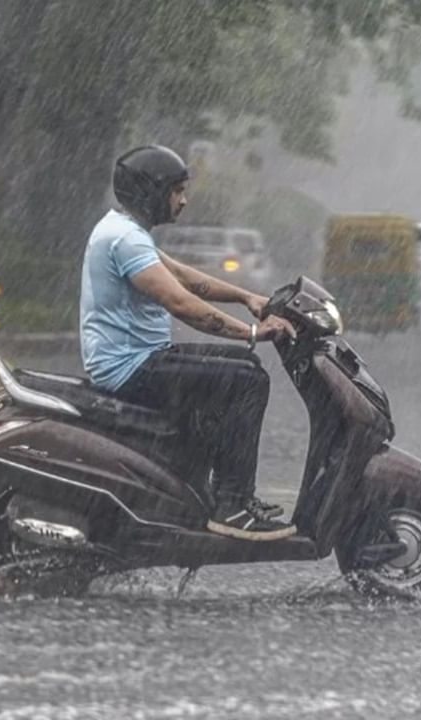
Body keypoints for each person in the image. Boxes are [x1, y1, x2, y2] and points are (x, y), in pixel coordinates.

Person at [79, 145, 297, 541]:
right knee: (247, 382)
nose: (184, 200)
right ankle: (231, 504)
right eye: (177, 190)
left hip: (140, 360)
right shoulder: (124, 240)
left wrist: (248, 298)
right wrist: (250, 333)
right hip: (130, 368)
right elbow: (181, 302)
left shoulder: (125, 231)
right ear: (152, 191)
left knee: (245, 367)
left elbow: (182, 275)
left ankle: (218, 494)